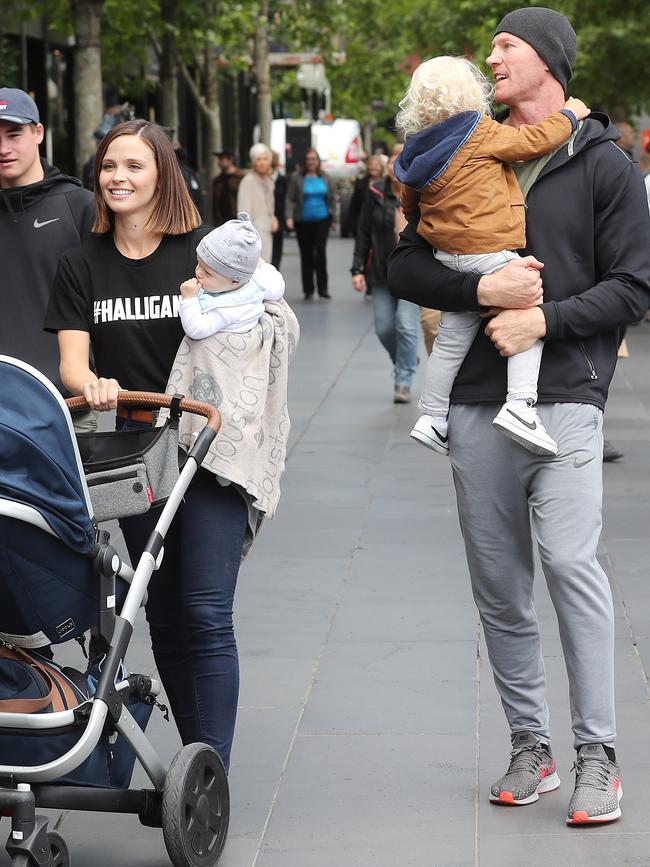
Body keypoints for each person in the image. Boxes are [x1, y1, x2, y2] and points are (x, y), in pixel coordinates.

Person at [387, 6, 650, 825]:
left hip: (568, 398)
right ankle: (530, 745)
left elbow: (636, 285)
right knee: (500, 588)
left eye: (507, 45)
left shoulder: (606, 162)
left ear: (549, 62)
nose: (492, 56)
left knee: (574, 570)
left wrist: (545, 320)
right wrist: (478, 291)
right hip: (473, 405)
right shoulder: (458, 141)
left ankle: (597, 756)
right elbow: (399, 263)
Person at [44, 119, 246, 772]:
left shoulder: (200, 250)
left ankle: (210, 765)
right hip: (136, 460)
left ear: (162, 172)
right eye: (108, 166)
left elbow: (261, 323)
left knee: (206, 609)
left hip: (212, 452)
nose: (118, 177)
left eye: (133, 165)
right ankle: (197, 768)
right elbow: (73, 363)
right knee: (160, 613)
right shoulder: (81, 263)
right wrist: (92, 384)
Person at [394, 55, 589, 457]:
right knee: (525, 312)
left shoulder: (417, 147)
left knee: (450, 340)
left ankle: (431, 416)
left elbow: (408, 198)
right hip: (490, 252)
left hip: (447, 256)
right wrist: (571, 115)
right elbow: (530, 142)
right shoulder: (480, 132)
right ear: (472, 93)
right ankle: (520, 406)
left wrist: (427, 218)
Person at [0, 87, 96, 429]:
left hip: (68, 408)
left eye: (14, 134)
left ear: (38, 133)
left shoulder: (80, 205)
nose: (3, 148)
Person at [351, 149, 419, 404]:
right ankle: (407, 357)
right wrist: (357, 269)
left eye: (403, 158)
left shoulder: (421, 189)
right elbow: (363, 232)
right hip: (380, 272)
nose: (396, 164)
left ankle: (403, 380)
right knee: (384, 328)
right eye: (392, 159)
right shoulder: (375, 193)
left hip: (412, 274)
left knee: (405, 325)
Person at [179, 211, 285, 339]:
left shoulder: (229, 307)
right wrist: (260, 265)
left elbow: (196, 330)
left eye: (208, 272)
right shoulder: (254, 282)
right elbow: (278, 288)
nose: (198, 272)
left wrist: (189, 299)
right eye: (198, 263)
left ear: (235, 281)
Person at [286, 148, 335, 299]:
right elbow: (289, 198)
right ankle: (308, 289)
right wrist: (289, 217)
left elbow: (332, 197)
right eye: (308, 159)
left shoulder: (325, 177)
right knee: (306, 254)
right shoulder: (297, 177)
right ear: (304, 162)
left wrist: (333, 216)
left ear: (318, 161)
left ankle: (323, 289)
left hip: (322, 219)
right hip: (303, 221)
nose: (311, 162)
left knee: (320, 252)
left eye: (313, 159)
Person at [212, 148, 244, 226]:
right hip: (222, 223)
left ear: (230, 159)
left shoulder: (241, 178)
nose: (219, 162)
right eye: (219, 159)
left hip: (237, 221)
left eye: (222, 159)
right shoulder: (217, 180)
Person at [270, 150, 286, 271]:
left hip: (278, 220)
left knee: (276, 250)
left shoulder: (282, 180)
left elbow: (285, 201)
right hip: (261, 221)